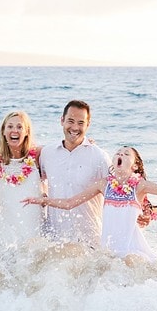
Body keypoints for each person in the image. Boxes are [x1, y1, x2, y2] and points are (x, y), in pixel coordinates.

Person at [23, 146, 157, 263]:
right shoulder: (103, 184)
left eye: (126, 154)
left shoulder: (139, 186)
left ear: (134, 165)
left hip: (132, 251)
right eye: (118, 153)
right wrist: (42, 200)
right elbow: (70, 203)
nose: (120, 155)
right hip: (106, 252)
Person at [38, 100, 111, 247]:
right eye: (70, 121)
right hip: (54, 239)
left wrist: (141, 211)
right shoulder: (47, 153)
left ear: (87, 125)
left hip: (89, 241)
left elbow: (116, 190)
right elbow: (37, 181)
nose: (75, 128)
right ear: (62, 120)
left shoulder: (99, 156)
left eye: (81, 123)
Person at [0, 110, 46, 254]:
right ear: (4, 131)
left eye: (19, 127)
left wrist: (85, 144)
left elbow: (61, 155)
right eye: (10, 126)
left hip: (32, 219)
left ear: (26, 132)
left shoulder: (37, 154)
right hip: (8, 221)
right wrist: (1, 196)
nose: (14, 130)